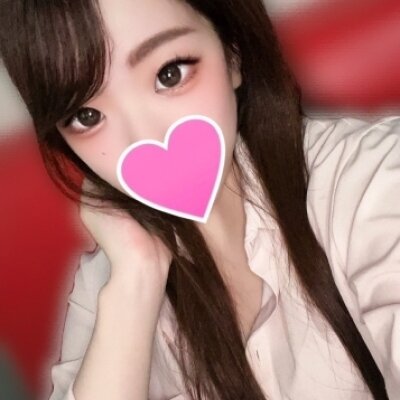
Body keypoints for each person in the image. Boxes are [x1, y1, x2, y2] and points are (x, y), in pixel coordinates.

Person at [0, 0, 398, 399]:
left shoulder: (370, 181)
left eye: (169, 74)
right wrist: (137, 277)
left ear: (232, 53)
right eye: (86, 116)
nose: (145, 138)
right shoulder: (110, 280)